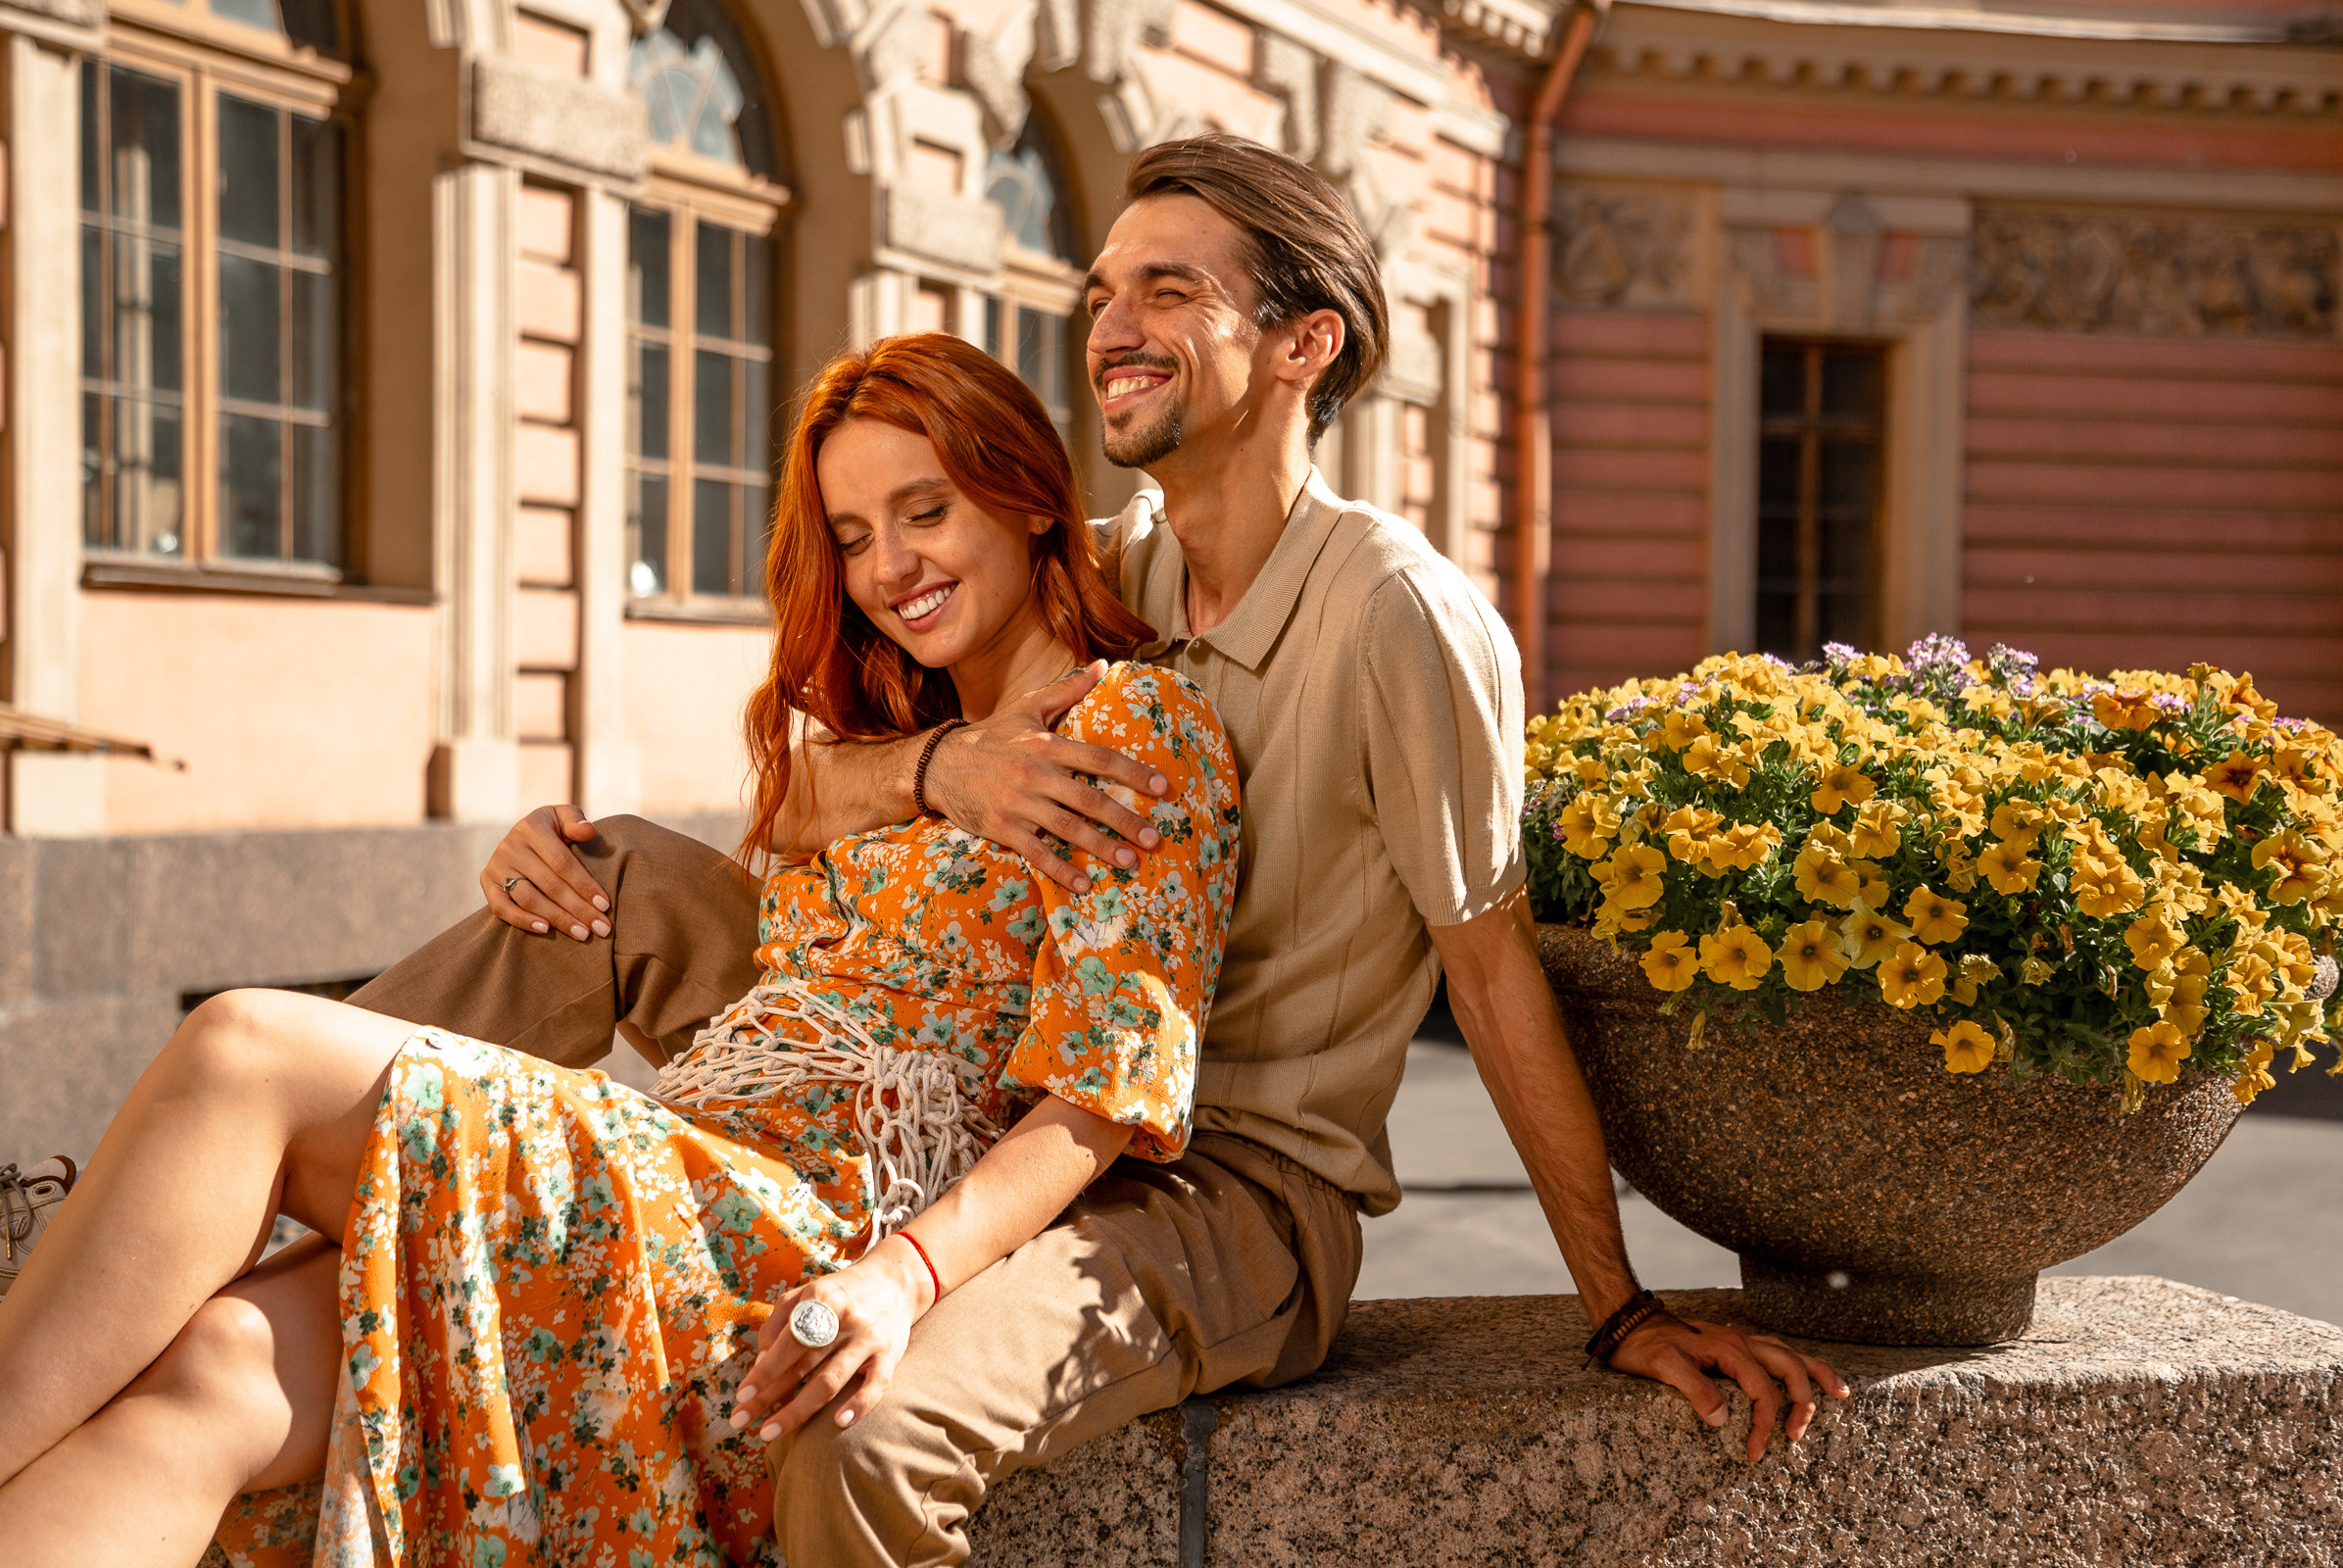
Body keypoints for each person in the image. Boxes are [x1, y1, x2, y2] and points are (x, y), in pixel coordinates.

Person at [456, 132, 1849, 1567]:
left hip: (1222, 1185)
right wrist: (944, 760)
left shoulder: (1396, 616)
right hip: (985, 1083)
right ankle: (266, 1206)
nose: (1112, 325)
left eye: (1169, 291)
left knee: (867, 1431)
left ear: (1305, 343)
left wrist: (1618, 1305)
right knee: (601, 877)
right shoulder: (1115, 566)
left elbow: (1490, 975)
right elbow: (800, 810)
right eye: (1106, 287)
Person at [0, 335, 1242, 1568]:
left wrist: (902, 1279)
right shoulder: (912, 739)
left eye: (926, 512)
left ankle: (96, 1233)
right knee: (218, 1367)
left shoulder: (1133, 725)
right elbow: (791, 810)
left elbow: (1098, 1099)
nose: (889, 567)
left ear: (1028, 497)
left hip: (791, 1232)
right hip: (679, 1165)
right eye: (854, 537)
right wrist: (929, 766)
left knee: (241, 1045)